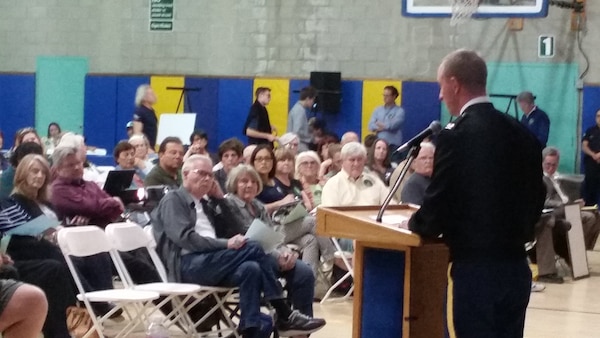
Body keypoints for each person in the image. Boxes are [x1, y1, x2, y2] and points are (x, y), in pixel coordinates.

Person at [407, 49, 545, 338]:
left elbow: (436, 208)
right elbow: (537, 198)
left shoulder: (456, 136)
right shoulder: (523, 134)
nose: (440, 96)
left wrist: (415, 224)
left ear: (454, 84)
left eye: (441, 86)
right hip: (517, 269)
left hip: (476, 271)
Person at [150, 155, 326, 338]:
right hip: (189, 264)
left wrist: (219, 199)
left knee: (251, 268)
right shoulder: (174, 199)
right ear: (185, 174)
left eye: (210, 175)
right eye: (201, 173)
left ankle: (251, 331)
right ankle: (284, 314)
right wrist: (226, 243)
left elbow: (232, 228)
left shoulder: (207, 203)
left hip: (216, 261)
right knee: (254, 246)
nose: (207, 179)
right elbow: (185, 238)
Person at [1, 153, 116, 337]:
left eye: (43, 173)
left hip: (56, 249)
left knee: (96, 254)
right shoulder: (9, 203)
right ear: (22, 174)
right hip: (24, 255)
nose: (39, 176)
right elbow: (11, 237)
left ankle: (92, 314)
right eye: (34, 171)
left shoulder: (47, 203)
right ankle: (91, 306)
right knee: (55, 265)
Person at [224, 164, 316, 318]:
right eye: (244, 181)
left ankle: (300, 327)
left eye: (253, 182)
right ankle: (286, 317)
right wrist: (278, 256)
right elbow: (251, 238)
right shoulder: (230, 205)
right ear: (234, 184)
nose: (249, 185)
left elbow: (272, 234)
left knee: (305, 273)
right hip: (249, 258)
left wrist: (286, 252)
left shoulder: (257, 205)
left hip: (272, 253)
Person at [321, 142, 389, 207]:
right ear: (342, 161)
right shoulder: (333, 185)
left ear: (364, 161)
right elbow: (331, 215)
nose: (356, 164)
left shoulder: (375, 181)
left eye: (359, 160)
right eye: (352, 160)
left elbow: (391, 206)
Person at [367, 85, 405, 161]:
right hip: (379, 144)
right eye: (384, 95)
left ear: (394, 96)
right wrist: (384, 126)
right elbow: (371, 125)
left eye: (387, 95)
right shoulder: (377, 110)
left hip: (392, 145)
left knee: (393, 165)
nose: (384, 97)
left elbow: (393, 125)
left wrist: (380, 125)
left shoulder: (399, 111)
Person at [287, 86, 317, 152]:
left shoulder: (297, 109)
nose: (313, 103)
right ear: (308, 98)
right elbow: (297, 131)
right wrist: (312, 138)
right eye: (313, 100)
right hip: (299, 145)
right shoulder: (300, 111)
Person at [582, 109, 600, 206]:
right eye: (597, 116)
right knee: (589, 193)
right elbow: (584, 145)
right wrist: (594, 155)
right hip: (591, 166)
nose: (599, 118)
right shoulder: (590, 130)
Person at [133, 84, 158, 149]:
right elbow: (137, 132)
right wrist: (147, 147)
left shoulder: (151, 111)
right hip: (145, 149)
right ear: (144, 97)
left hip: (152, 147)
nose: (154, 95)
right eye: (151, 94)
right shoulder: (140, 112)